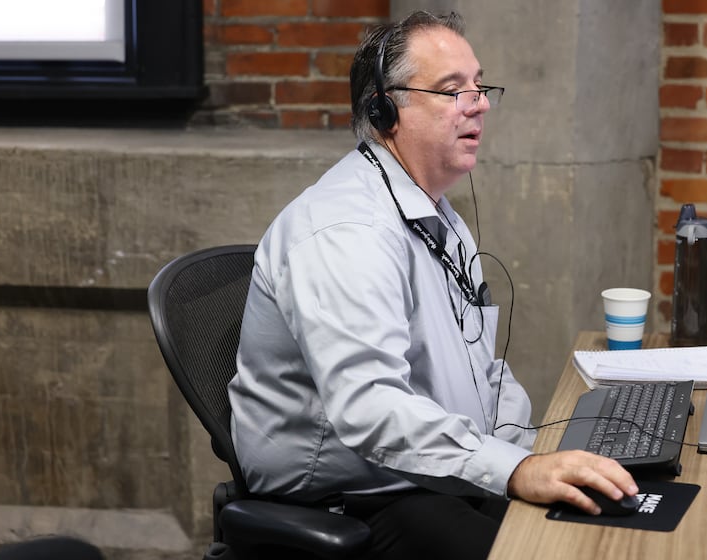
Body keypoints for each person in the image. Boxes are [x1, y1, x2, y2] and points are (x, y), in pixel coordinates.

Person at [227, 10, 637, 560]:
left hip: (421, 469)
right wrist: (515, 470)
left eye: (479, 84)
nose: (480, 102)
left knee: (594, 528)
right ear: (385, 109)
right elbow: (371, 410)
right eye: (452, 90)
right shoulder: (347, 233)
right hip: (348, 499)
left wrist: (538, 452)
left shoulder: (433, 211)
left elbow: (482, 368)